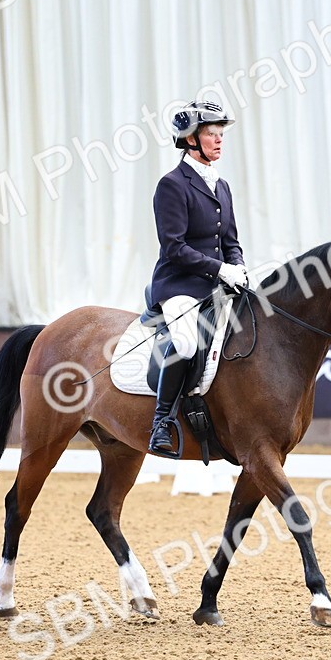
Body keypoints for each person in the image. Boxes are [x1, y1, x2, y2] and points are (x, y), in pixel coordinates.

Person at [146, 100, 247, 457]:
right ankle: (161, 422)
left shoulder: (222, 186)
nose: (219, 140)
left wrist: (238, 267)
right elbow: (173, 247)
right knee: (187, 344)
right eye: (211, 133)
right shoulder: (172, 185)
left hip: (218, 286)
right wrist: (220, 269)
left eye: (221, 134)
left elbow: (230, 240)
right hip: (180, 285)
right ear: (190, 139)